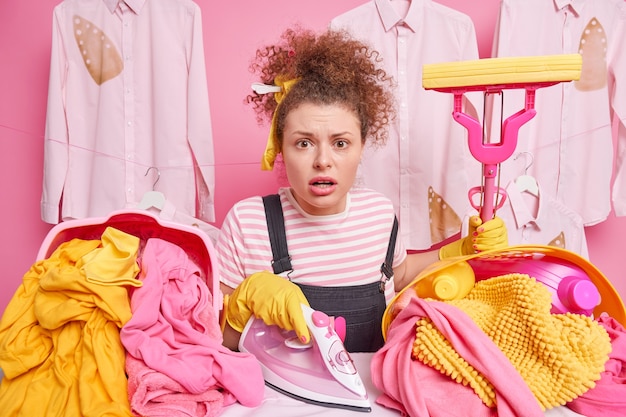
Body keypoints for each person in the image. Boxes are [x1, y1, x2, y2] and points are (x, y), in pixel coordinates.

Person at [215, 27, 508, 353]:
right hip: (279, 400)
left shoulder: (379, 214)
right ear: (279, 148)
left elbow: (397, 277)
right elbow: (216, 343)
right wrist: (241, 307)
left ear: (362, 146)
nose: (323, 161)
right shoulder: (247, 223)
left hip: (376, 396)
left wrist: (458, 251)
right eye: (303, 143)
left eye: (341, 143)